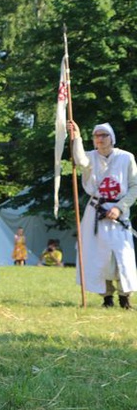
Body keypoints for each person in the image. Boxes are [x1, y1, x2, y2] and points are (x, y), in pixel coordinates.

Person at [68, 121, 137, 309]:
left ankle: (125, 297)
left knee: (122, 256)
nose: (99, 139)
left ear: (111, 138)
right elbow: (80, 159)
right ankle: (106, 297)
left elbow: (134, 186)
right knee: (99, 255)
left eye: (103, 135)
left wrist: (120, 208)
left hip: (118, 215)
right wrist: (77, 137)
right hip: (95, 212)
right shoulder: (90, 157)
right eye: (96, 136)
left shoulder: (126, 158)